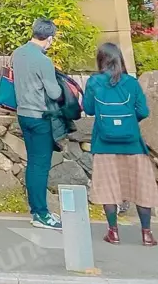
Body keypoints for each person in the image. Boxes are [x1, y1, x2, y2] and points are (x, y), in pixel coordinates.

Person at [82, 42, 157, 247]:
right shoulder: (131, 83)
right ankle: (147, 234)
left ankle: (113, 233)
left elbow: (88, 108)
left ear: (100, 60)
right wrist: (127, 123)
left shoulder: (94, 82)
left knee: (108, 188)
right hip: (132, 145)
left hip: (104, 144)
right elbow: (143, 111)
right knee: (141, 187)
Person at [11, 17, 65, 230]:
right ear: (49, 39)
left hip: (23, 113)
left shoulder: (18, 53)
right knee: (41, 165)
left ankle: (36, 210)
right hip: (40, 116)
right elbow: (54, 92)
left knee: (33, 163)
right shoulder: (44, 61)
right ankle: (41, 213)